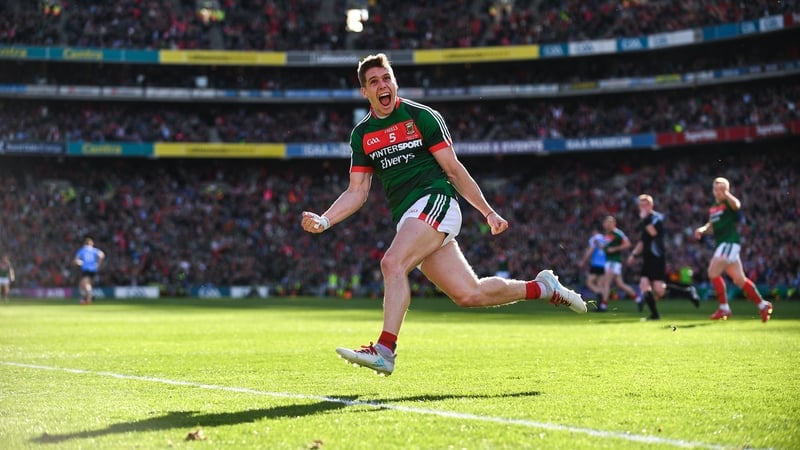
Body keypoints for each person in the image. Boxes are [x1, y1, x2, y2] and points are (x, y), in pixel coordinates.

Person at [300, 53, 586, 376]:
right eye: (374, 82)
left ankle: (385, 350)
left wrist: (488, 212)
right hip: (410, 216)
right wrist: (325, 219)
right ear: (365, 92)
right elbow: (357, 191)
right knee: (469, 294)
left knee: (392, 263)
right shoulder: (362, 135)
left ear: (395, 82)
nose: (383, 85)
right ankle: (543, 288)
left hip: (436, 200)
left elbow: (453, 169)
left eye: (387, 78)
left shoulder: (422, 117)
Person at [693, 177, 773, 322]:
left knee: (712, 272)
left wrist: (727, 194)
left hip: (729, 243)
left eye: (721, 189)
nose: (718, 192)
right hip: (724, 245)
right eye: (716, 189)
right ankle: (762, 305)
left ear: (726, 190)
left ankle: (724, 307)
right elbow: (712, 226)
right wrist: (702, 230)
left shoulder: (728, 203)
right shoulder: (714, 207)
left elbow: (737, 205)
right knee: (739, 280)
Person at [626, 195, 700, 320]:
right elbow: (643, 241)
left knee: (659, 289)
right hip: (647, 257)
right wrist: (633, 254)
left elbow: (653, 233)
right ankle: (655, 315)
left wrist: (644, 219)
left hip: (657, 256)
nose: (642, 207)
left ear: (651, 205)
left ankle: (687, 291)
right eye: (641, 205)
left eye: (645, 205)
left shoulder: (656, 218)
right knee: (644, 285)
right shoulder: (645, 220)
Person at [597, 215, 638, 312]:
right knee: (620, 284)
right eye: (606, 222)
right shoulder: (607, 234)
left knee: (605, 282)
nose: (607, 224)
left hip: (614, 261)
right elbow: (607, 248)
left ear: (614, 223)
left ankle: (603, 306)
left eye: (610, 222)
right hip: (609, 261)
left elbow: (628, 244)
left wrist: (615, 249)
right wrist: (601, 247)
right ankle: (638, 298)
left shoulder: (618, 233)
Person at [74, 237, 105, 305]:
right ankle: (85, 297)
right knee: (82, 284)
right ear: (91, 244)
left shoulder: (83, 250)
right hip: (94, 269)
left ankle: (89, 297)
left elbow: (76, 260)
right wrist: (98, 264)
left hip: (86, 269)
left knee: (86, 284)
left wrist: (82, 263)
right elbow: (102, 255)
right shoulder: (94, 250)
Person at [578, 227, 606, 303]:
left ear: (594, 231)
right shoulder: (605, 238)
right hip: (605, 264)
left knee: (589, 282)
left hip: (596, 264)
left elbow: (590, 250)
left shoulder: (594, 238)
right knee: (600, 284)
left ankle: (599, 293)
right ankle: (601, 305)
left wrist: (583, 261)